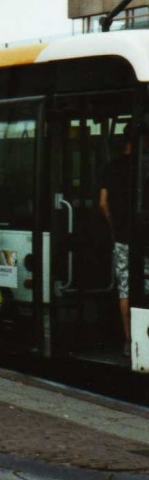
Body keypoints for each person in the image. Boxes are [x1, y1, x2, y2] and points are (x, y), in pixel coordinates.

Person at [99, 127, 147, 357]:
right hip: (145, 239)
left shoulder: (111, 167)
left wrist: (114, 226)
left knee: (125, 289)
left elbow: (103, 203)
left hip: (121, 239)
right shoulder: (144, 165)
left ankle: (129, 340)